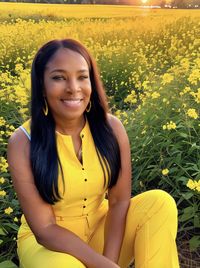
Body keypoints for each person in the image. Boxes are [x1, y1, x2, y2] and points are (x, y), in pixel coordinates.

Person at [7, 39, 180, 268]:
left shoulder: (112, 128)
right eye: (59, 77)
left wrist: (108, 261)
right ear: (41, 84)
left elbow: (118, 201)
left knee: (159, 204)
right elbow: (45, 229)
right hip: (49, 249)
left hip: (102, 231)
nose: (73, 88)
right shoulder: (23, 142)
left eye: (82, 76)